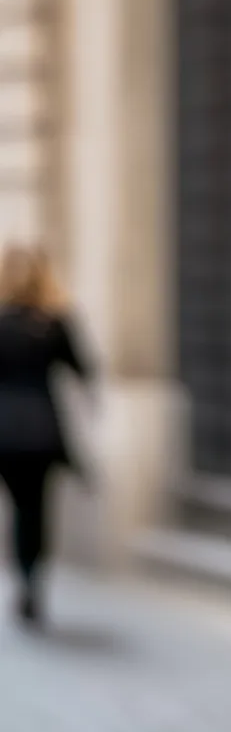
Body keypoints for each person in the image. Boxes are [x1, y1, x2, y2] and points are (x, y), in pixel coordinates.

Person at [0, 244, 93, 624]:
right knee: (36, 510)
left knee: (18, 507)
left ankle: (23, 576)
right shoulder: (54, 323)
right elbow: (83, 369)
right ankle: (33, 579)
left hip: (4, 431)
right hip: (41, 429)